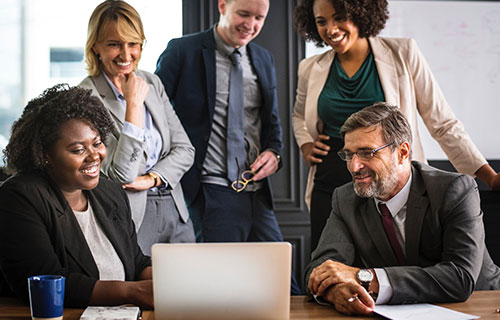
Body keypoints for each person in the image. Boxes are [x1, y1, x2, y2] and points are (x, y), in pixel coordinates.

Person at [292, 0, 500, 252]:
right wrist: (305, 142)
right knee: (328, 263)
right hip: (330, 178)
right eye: (321, 21)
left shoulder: (403, 53)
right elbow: (299, 116)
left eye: (339, 17)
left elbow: (442, 121)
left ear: (361, 12)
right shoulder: (309, 68)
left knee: (390, 265)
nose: (331, 29)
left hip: (388, 179)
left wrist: (490, 177)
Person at [305, 102, 500, 315]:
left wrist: (366, 277)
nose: (354, 167)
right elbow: (321, 268)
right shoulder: (345, 199)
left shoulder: (454, 190)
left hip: (480, 307)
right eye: (349, 154)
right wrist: (336, 290)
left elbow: (459, 277)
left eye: (367, 153)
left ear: (402, 153)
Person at [0, 84, 153, 308]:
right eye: (78, 150)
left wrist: (172, 278)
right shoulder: (20, 197)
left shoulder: (109, 192)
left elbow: (136, 263)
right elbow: (45, 281)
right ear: (45, 155)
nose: (94, 156)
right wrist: (131, 292)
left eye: (97, 143)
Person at [80, 0, 195, 255]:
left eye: (133, 43)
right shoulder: (86, 96)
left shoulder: (151, 82)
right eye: (114, 44)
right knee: (141, 292)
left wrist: (151, 178)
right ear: (96, 46)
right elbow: (121, 174)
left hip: (174, 208)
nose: (126, 54)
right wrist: (133, 105)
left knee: (190, 290)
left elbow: (185, 149)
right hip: (130, 215)